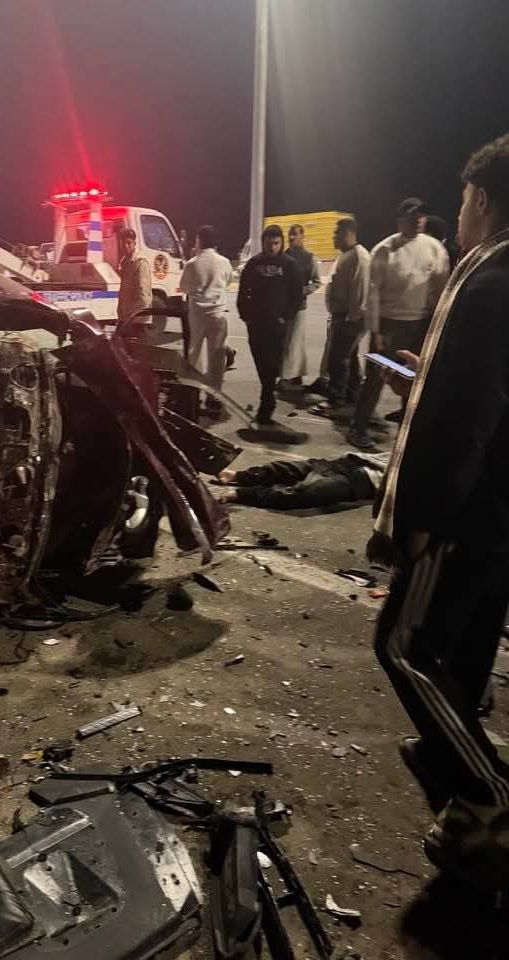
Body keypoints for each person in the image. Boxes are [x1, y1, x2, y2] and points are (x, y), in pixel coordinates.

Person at [369, 133, 509, 886]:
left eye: (462, 200)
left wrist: (422, 516)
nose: (459, 213)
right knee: (465, 648)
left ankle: (489, 794)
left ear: (480, 199)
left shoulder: (485, 286)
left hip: (466, 514)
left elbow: (465, 420)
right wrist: (432, 374)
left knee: (405, 645)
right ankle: (459, 795)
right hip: (498, 513)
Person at [347, 198, 449, 450]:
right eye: (413, 217)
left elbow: (440, 288)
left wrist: (436, 325)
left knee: (412, 380)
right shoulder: (384, 250)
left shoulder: (434, 248)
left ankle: (406, 429)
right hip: (388, 326)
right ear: (400, 220)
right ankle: (357, 428)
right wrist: (375, 330)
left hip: (420, 324)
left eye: (421, 216)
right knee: (375, 379)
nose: (419, 221)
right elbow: (373, 293)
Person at [237, 225, 304, 425]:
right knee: (260, 361)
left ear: (281, 243)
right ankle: (268, 396)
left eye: (276, 243)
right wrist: (246, 315)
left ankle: (266, 401)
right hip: (256, 324)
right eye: (269, 243)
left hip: (277, 325)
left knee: (273, 364)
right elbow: (243, 291)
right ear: (263, 243)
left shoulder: (289, 265)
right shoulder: (254, 264)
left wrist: (286, 316)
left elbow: (297, 294)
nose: (273, 247)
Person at [311, 219, 370, 415]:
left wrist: (351, 320)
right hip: (342, 316)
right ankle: (353, 394)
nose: (334, 237)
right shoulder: (345, 255)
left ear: (350, 233)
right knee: (348, 358)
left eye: (338, 233)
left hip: (349, 318)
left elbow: (360, 292)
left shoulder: (359, 257)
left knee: (337, 359)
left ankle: (335, 401)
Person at [214, 450, 389, 510]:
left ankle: (241, 493)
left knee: (303, 493)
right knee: (290, 468)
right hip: (354, 461)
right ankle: (238, 476)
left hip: (364, 481)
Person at [179, 225, 233, 407]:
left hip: (198, 314)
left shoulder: (192, 264)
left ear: (199, 240)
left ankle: (193, 393)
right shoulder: (224, 262)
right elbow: (227, 282)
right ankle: (214, 396)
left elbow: (184, 287)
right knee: (216, 358)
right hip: (218, 314)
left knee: (195, 354)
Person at [279, 224, 321, 389]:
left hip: (299, 306)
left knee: (293, 342)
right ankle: (295, 375)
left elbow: (317, 281)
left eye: (295, 234)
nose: (291, 237)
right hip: (283, 306)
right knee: (290, 342)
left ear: (302, 236)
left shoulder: (309, 258)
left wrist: (303, 290)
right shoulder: (282, 257)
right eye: (290, 234)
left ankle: (287, 376)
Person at [117, 228, 152, 333]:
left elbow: (143, 294)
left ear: (134, 243)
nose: (126, 246)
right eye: (123, 243)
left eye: (129, 243)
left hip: (137, 320)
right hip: (126, 318)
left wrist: (132, 315)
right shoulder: (124, 262)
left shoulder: (140, 262)